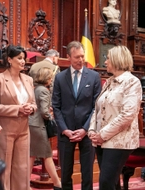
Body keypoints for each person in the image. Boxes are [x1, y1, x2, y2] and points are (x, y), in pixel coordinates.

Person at [88, 45, 142, 190]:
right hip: (101, 141)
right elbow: (97, 108)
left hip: (119, 142)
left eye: (108, 59)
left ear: (118, 60)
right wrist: (92, 131)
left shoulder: (132, 82)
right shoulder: (110, 81)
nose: (105, 62)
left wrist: (102, 135)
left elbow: (127, 115)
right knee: (112, 184)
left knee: (106, 184)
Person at [52, 41, 101, 190]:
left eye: (82, 56)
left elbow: (96, 107)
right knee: (65, 173)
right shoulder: (60, 77)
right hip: (66, 132)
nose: (80, 60)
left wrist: (85, 129)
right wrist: (64, 129)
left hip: (87, 132)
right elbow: (56, 106)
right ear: (68, 58)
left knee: (87, 173)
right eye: (76, 57)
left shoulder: (94, 77)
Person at [0, 45, 37, 190]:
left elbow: (34, 103)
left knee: (22, 169)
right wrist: (18, 109)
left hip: (24, 130)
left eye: (24, 58)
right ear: (9, 59)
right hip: (4, 130)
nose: (23, 61)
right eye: (19, 58)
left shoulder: (28, 79)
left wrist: (31, 108)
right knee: (4, 168)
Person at [29, 67, 61, 190]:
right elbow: (43, 112)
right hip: (39, 126)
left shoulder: (36, 89)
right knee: (47, 155)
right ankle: (57, 183)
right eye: (50, 77)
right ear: (46, 78)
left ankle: (26, 184)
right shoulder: (44, 90)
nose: (51, 80)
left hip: (32, 124)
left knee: (31, 156)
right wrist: (50, 116)